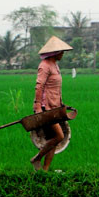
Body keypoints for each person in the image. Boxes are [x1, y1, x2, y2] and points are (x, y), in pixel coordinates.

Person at [31, 35, 73, 172]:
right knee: (59, 136)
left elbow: (55, 88)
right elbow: (39, 86)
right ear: (55, 52)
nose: (63, 54)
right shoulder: (45, 66)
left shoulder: (55, 65)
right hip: (45, 108)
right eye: (61, 52)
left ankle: (45, 170)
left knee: (53, 139)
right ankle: (37, 158)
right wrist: (38, 107)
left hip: (54, 107)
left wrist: (61, 104)